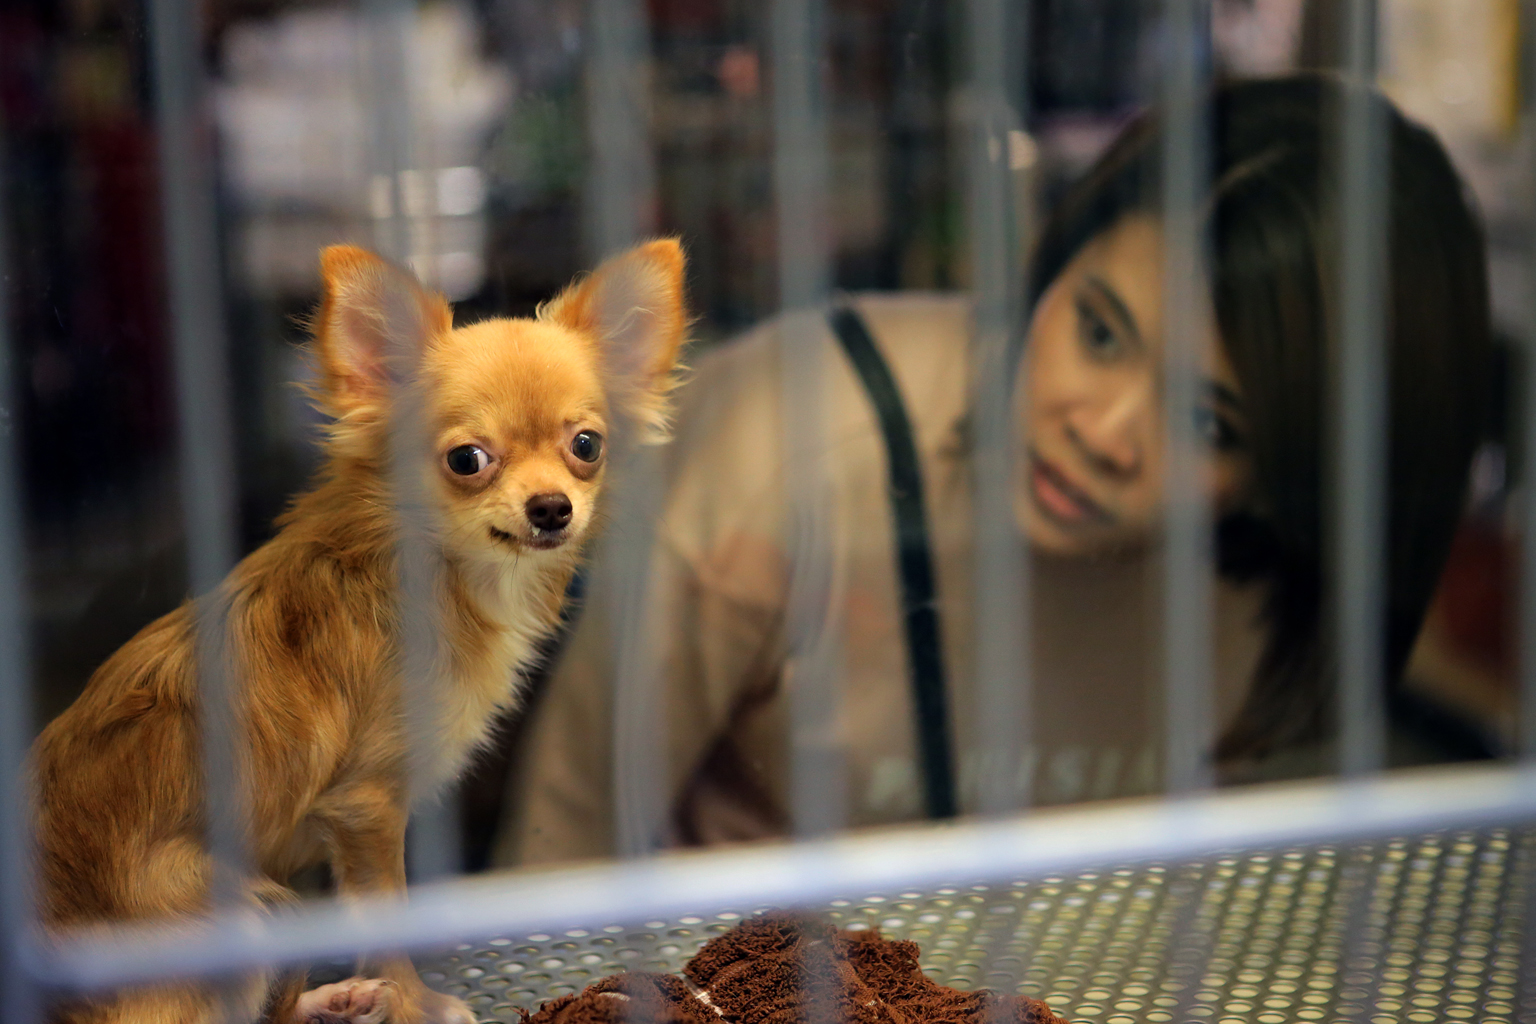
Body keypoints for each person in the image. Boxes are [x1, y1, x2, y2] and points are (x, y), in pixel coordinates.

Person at [493, 74, 1491, 864]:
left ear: (1302, 475)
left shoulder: (1291, 585)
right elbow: (558, 877)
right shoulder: (786, 444)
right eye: (1099, 330)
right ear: (1052, 262)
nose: (1103, 428)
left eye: (1205, 419)